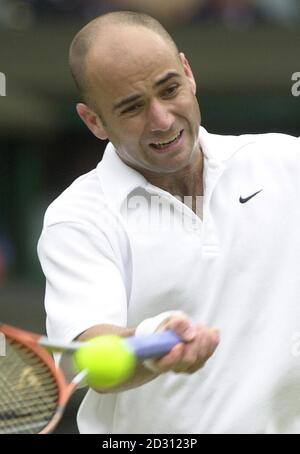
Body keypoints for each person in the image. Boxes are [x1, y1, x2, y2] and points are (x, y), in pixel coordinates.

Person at [37, 11, 300, 434]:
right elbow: (91, 355)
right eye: (132, 107)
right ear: (94, 121)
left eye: (169, 89)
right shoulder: (76, 219)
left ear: (188, 72)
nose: (161, 119)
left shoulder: (286, 162)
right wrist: (151, 343)